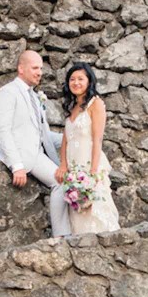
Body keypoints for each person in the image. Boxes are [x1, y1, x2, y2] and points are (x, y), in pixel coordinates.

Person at [0, 49, 68, 236]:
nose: (39, 72)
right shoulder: (8, 92)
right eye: (34, 68)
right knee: (60, 184)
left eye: (41, 68)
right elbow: (3, 130)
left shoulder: (35, 96)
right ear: (21, 69)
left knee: (64, 183)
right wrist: (16, 165)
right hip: (23, 156)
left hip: (37, 154)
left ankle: (65, 234)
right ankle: (61, 237)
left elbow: (44, 134)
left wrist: (73, 136)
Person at [55, 62, 120, 234]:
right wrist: (63, 165)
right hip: (73, 169)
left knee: (95, 211)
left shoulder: (96, 104)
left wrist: (92, 173)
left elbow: (97, 139)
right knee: (77, 214)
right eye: (72, 79)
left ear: (89, 81)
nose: (76, 82)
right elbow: (65, 139)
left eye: (80, 79)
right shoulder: (72, 107)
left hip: (90, 165)